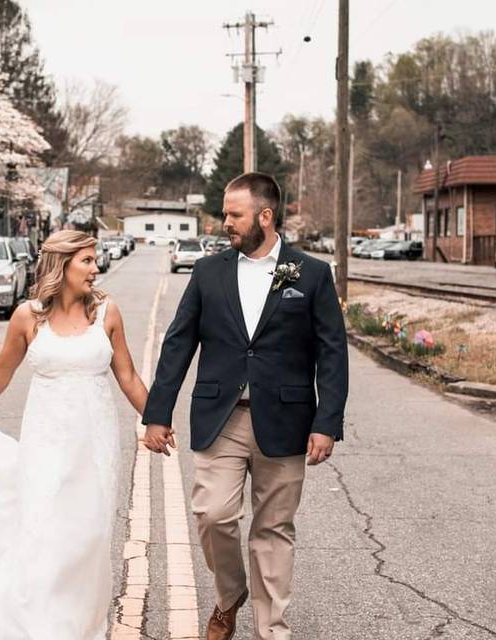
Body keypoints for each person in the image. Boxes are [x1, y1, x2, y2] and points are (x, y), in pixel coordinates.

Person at [0, 230, 151, 640]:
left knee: (89, 537)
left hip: (95, 443)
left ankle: (82, 627)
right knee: (45, 531)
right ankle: (40, 625)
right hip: (46, 441)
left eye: (95, 261)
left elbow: (127, 375)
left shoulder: (107, 313)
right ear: (62, 265)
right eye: (87, 261)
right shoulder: (28, 316)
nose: (96, 269)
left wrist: (157, 419)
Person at [141, 172, 349, 640]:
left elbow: (332, 352)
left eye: (233, 214)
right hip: (222, 417)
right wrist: (158, 413)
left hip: (288, 421)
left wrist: (327, 422)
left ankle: (271, 629)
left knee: (274, 529)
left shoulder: (312, 274)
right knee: (213, 515)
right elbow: (178, 344)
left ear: (265, 216)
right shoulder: (208, 272)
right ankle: (230, 596)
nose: (224, 223)